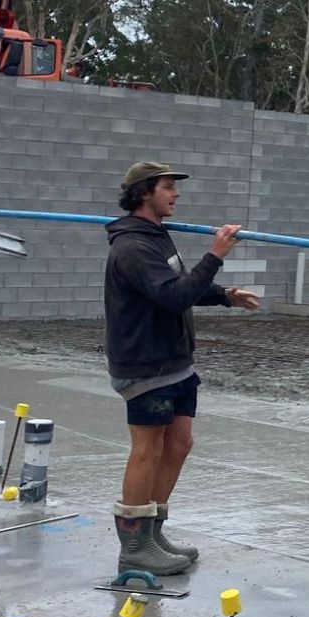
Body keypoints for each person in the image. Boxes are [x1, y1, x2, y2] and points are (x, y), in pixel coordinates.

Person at [104, 161, 260, 577]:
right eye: (168, 187)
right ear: (144, 193)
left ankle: (153, 533)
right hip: (144, 364)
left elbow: (180, 285)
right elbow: (173, 297)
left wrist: (224, 295)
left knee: (178, 444)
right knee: (147, 449)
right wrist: (216, 255)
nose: (176, 194)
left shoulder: (157, 237)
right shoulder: (132, 247)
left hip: (174, 362)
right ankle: (134, 546)